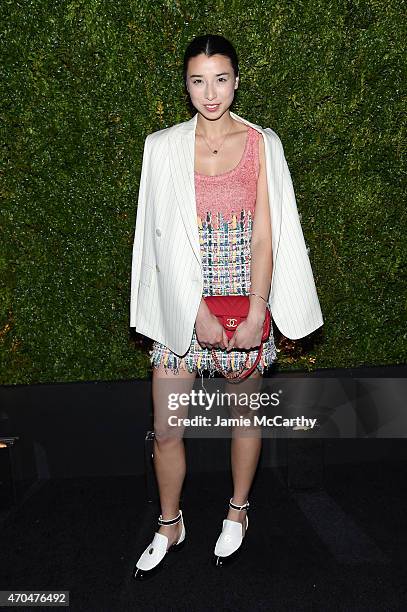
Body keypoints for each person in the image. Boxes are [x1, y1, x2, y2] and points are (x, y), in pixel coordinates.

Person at [130, 34, 323, 579]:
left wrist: (260, 311)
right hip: (180, 307)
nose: (209, 92)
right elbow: (157, 240)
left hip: (245, 295)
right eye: (197, 80)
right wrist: (194, 311)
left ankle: (238, 511)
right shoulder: (162, 146)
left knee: (244, 413)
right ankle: (171, 523)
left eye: (219, 79)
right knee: (168, 425)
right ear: (186, 84)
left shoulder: (263, 143)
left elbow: (268, 235)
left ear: (236, 81)